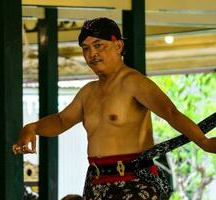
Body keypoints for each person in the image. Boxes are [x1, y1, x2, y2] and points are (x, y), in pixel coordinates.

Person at [12, 18, 216, 199]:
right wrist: (32, 127)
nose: (92, 53)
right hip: (96, 181)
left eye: (99, 45)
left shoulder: (134, 82)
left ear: (118, 46)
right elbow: (61, 121)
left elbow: (171, 113)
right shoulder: (87, 92)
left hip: (136, 181)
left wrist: (203, 141)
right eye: (86, 48)